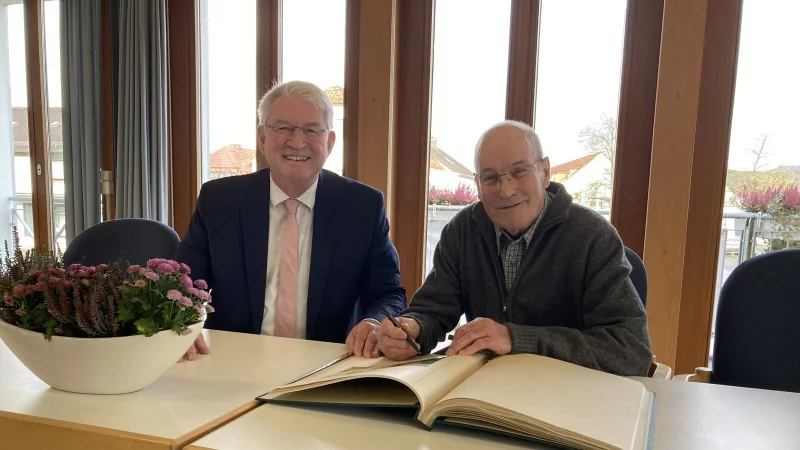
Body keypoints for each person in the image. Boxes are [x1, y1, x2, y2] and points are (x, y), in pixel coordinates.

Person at [376, 120, 652, 376]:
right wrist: (412, 329)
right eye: (491, 178)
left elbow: (630, 349)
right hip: (484, 393)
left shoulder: (593, 236)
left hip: (568, 399)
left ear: (544, 172)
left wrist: (515, 338)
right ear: (477, 184)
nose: (506, 190)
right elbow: (433, 311)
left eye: (519, 172)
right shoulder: (462, 231)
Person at [176, 80, 406, 361]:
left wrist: (373, 324)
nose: (297, 141)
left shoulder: (362, 207)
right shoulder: (219, 201)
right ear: (262, 137)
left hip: (325, 365)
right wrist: (182, 321)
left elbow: (388, 294)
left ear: (329, 142)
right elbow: (183, 284)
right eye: (283, 127)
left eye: (311, 129)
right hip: (231, 360)